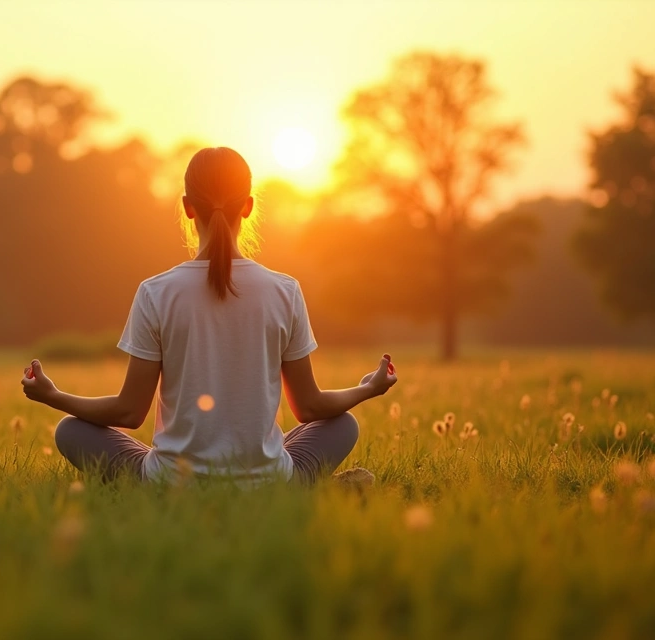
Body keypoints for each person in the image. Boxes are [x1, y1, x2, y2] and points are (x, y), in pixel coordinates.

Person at [20, 146, 397, 485]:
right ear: (248, 206)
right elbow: (309, 407)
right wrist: (367, 389)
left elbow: (130, 411)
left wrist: (53, 396)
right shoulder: (284, 291)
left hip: (172, 484)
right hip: (266, 484)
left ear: (187, 206)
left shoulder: (156, 293)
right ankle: (299, 489)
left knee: (70, 431)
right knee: (343, 424)